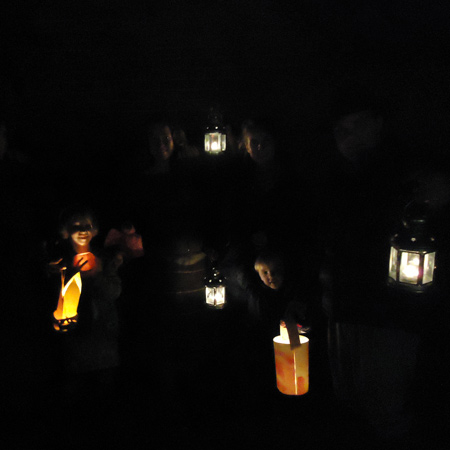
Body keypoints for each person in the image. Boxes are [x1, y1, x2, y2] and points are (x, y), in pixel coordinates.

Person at [318, 87, 447, 446]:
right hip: (345, 308)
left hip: (389, 315)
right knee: (350, 398)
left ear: (378, 123)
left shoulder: (406, 174)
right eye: (341, 130)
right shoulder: (337, 179)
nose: (349, 137)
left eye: (357, 125)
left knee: (386, 405)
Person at [44, 204, 122, 412]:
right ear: (66, 230)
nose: (83, 230)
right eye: (76, 225)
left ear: (94, 228)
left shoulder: (104, 259)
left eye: (87, 225)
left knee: (105, 389)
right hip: (75, 336)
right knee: (74, 388)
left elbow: (114, 292)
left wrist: (97, 277)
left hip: (103, 334)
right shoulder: (59, 263)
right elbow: (54, 299)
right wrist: (66, 276)